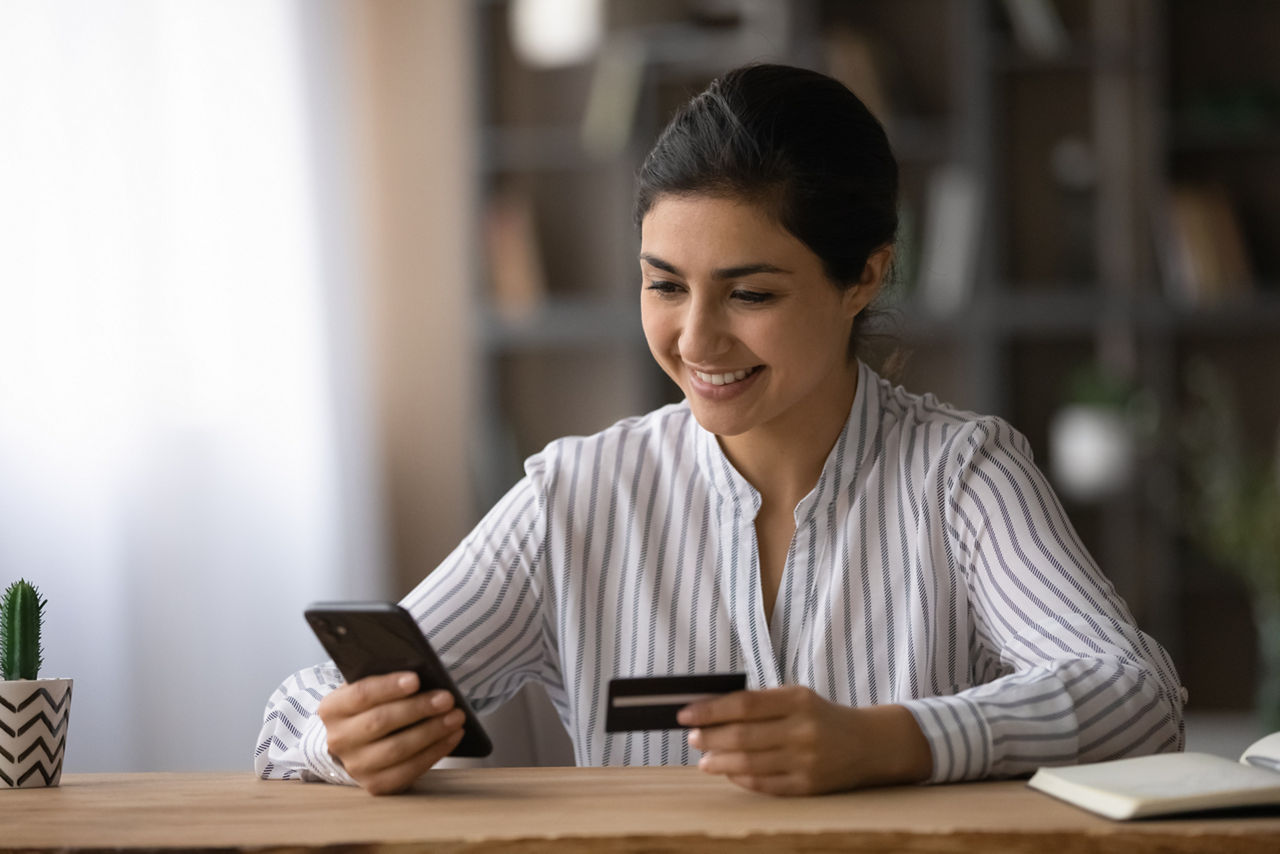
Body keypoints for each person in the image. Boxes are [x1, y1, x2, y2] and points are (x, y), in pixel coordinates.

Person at [256, 63, 1185, 797]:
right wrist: (346, 740)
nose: (696, 340)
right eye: (665, 285)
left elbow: (1136, 695)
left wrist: (890, 741)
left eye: (750, 294)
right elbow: (296, 711)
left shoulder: (961, 473)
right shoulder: (575, 498)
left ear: (864, 276)